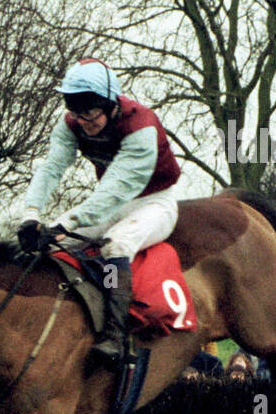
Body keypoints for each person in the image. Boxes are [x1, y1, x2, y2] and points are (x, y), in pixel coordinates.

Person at [17, 58, 180, 365]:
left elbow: (112, 191)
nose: (84, 120)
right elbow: (51, 168)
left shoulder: (141, 126)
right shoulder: (71, 123)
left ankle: (116, 337)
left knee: (116, 243)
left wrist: (70, 224)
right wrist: (32, 215)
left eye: (91, 110)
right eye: (76, 111)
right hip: (114, 202)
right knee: (49, 242)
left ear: (110, 103)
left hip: (155, 201)